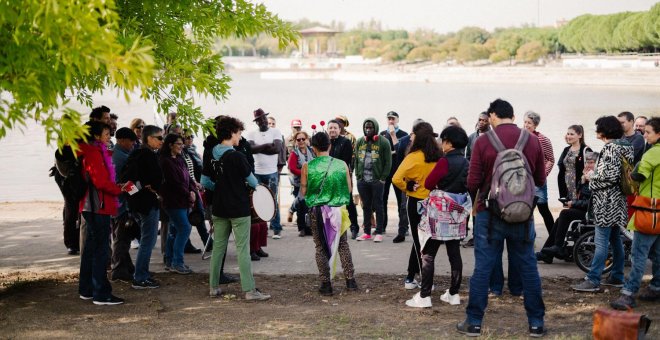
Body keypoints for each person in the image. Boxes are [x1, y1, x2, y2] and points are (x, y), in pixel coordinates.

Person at [458, 99, 546, 337]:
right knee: (528, 267)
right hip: (522, 214)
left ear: (493, 115)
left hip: (489, 214)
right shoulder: (533, 140)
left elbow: (473, 182)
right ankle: (536, 323)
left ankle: (474, 322)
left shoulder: (484, 140)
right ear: (514, 116)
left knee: (483, 268)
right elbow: (539, 180)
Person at [208, 116, 271, 301]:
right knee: (242, 248)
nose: (240, 136)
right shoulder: (237, 155)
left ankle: (213, 287)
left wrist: (221, 187)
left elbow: (206, 181)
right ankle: (249, 290)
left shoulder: (212, 154)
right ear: (232, 133)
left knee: (218, 248)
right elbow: (252, 181)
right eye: (239, 133)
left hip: (219, 207)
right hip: (238, 207)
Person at [571, 116, 634, 292]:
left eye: (598, 127)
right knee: (615, 241)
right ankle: (616, 276)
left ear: (605, 130)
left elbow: (608, 177)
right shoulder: (626, 146)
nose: (596, 130)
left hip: (606, 202)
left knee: (601, 242)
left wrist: (590, 177)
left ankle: (593, 279)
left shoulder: (610, 148)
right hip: (619, 200)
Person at [611, 117, 660, 309]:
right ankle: (656, 287)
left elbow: (638, 176)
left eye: (648, 132)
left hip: (648, 211)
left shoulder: (652, 154)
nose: (644, 135)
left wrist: (631, 171)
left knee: (638, 254)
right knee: (657, 253)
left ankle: (628, 293)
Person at [419, 125, 470, 306]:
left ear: (449, 142)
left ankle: (424, 296)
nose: (441, 143)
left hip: (439, 213)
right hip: (456, 214)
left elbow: (429, 183)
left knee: (428, 253)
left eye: (443, 140)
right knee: (454, 253)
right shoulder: (466, 162)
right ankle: (453, 293)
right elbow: (469, 185)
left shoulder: (444, 161)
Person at [301, 132, 357, 296]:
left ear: (313, 148)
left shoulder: (307, 166)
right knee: (343, 245)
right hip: (338, 210)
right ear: (329, 145)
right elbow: (349, 189)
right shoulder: (342, 165)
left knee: (320, 247)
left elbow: (304, 192)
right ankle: (350, 281)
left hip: (317, 212)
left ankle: (326, 284)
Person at [391, 123, 441, 302]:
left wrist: (407, 186)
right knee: (424, 240)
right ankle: (411, 277)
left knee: (419, 241)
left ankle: (424, 281)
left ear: (417, 138)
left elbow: (396, 178)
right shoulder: (438, 155)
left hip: (415, 202)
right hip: (433, 202)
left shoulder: (413, 157)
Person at [77, 121, 124, 305]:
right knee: (100, 250)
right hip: (97, 206)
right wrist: (119, 189)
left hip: (90, 205)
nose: (109, 136)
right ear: (96, 136)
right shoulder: (93, 152)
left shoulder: (88, 150)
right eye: (106, 133)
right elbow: (101, 182)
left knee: (91, 248)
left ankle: (87, 289)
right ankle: (101, 293)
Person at [122, 125, 163, 289]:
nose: (162, 141)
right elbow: (156, 180)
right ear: (149, 138)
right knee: (148, 241)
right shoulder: (147, 155)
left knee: (146, 240)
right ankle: (140, 277)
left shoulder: (135, 153)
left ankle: (141, 274)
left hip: (139, 205)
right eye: (159, 138)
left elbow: (124, 183)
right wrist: (146, 190)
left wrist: (134, 196)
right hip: (147, 205)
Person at [537, 152, 597, 263]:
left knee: (565, 214)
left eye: (592, 162)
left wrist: (573, 204)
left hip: (591, 212)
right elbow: (582, 196)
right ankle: (546, 254)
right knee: (560, 219)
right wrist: (583, 180)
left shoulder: (596, 179)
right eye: (587, 162)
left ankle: (558, 247)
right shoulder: (588, 177)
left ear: (598, 164)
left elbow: (591, 202)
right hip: (584, 209)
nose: (588, 165)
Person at [160, 133, 198, 275]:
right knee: (184, 228)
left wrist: (193, 190)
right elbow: (174, 183)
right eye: (178, 144)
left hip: (184, 200)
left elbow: (188, 178)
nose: (182, 146)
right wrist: (188, 193)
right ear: (170, 145)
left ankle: (170, 261)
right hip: (173, 201)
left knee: (174, 230)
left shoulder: (180, 159)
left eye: (182, 144)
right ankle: (177, 262)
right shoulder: (165, 161)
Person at [247, 108, 284, 238]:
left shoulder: (276, 131)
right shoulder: (251, 134)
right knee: (258, 201)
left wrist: (259, 148)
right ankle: (262, 229)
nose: (262, 121)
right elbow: (250, 149)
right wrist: (266, 145)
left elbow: (277, 149)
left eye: (263, 118)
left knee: (273, 199)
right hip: (256, 172)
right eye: (259, 119)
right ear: (256, 122)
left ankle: (276, 228)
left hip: (272, 171)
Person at [354, 118, 392, 242]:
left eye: (370, 127)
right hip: (363, 181)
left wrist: (382, 179)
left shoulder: (384, 142)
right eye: (366, 128)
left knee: (378, 205)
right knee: (366, 206)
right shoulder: (360, 142)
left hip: (377, 181)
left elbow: (388, 162)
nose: (368, 130)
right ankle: (366, 232)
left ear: (375, 128)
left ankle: (379, 232)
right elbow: (355, 160)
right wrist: (358, 176)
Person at [109, 127, 138, 282]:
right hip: (121, 204)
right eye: (131, 141)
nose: (133, 144)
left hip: (117, 203)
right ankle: (119, 269)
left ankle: (126, 266)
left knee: (122, 237)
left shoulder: (119, 154)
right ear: (121, 140)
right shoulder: (120, 157)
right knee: (122, 238)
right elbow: (122, 182)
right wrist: (136, 192)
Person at [391, 119, 425, 243]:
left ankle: (422, 231)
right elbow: (399, 161)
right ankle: (402, 231)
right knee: (403, 207)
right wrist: (405, 181)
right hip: (407, 180)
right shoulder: (405, 141)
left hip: (423, 182)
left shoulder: (428, 145)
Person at [523, 111, 555, 234]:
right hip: (523, 181)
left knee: (543, 209)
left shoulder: (543, 139)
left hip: (538, 182)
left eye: (529, 123)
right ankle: (529, 237)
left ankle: (553, 238)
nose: (526, 125)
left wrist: (543, 174)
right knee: (526, 210)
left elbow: (550, 159)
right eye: (525, 122)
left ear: (535, 125)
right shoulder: (520, 137)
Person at [327, 119, 360, 238]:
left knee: (348, 202)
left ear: (339, 129)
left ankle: (354, 227)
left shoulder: (345, 142)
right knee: (330, 203)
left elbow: (345, 161)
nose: (332, 130)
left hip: (342, 177)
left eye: (335, 128)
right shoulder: (326, 143)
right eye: (330, 128)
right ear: (327, 129)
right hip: (328, 179)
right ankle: (333, 227)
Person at [463, 112, 491, 248]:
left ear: (489, 122)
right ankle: (470, 235)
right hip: (473, 178)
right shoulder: (471, 137)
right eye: (479, 119)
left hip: (488, 180)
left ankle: (481, 236)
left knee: (483, 209)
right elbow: (467, 157)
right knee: (471, 208)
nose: (481, 122)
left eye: (484, 120)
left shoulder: (493, 137)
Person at [380, 111, 409, 236]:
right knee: (382, 200)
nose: (391, 121)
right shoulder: (381, 134)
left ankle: (403, 227)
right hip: (385, 172)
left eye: (393, 118)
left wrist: (393, 136)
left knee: (401, 202)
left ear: (397, 120)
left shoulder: (404, 135)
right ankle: (382, 226)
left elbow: (404, 153)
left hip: (399, 172)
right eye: (389, 119)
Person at [182, 131, 210, 253]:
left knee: (199, 215)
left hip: (194, 187)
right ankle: (187, 245)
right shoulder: (181, 153)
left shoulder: (190, 151)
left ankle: (208, 242)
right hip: (188, 189)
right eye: (187, 138)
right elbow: (185, 174)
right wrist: (194, 184)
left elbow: (194, 171)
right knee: (189, 218)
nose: (190, 139)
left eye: (191, 136)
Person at [288, 130, 314, 237]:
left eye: (303, 139)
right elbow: (292, 168)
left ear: (307, 139)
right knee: (301, 206)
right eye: (299, 139)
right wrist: (304, 173)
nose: (301, 141)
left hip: (311, 183)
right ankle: (302, 228)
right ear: (296, 141)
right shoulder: (294, 153)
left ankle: (310, 228)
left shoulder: (312, 151)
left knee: (311, 207)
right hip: (299, 184)